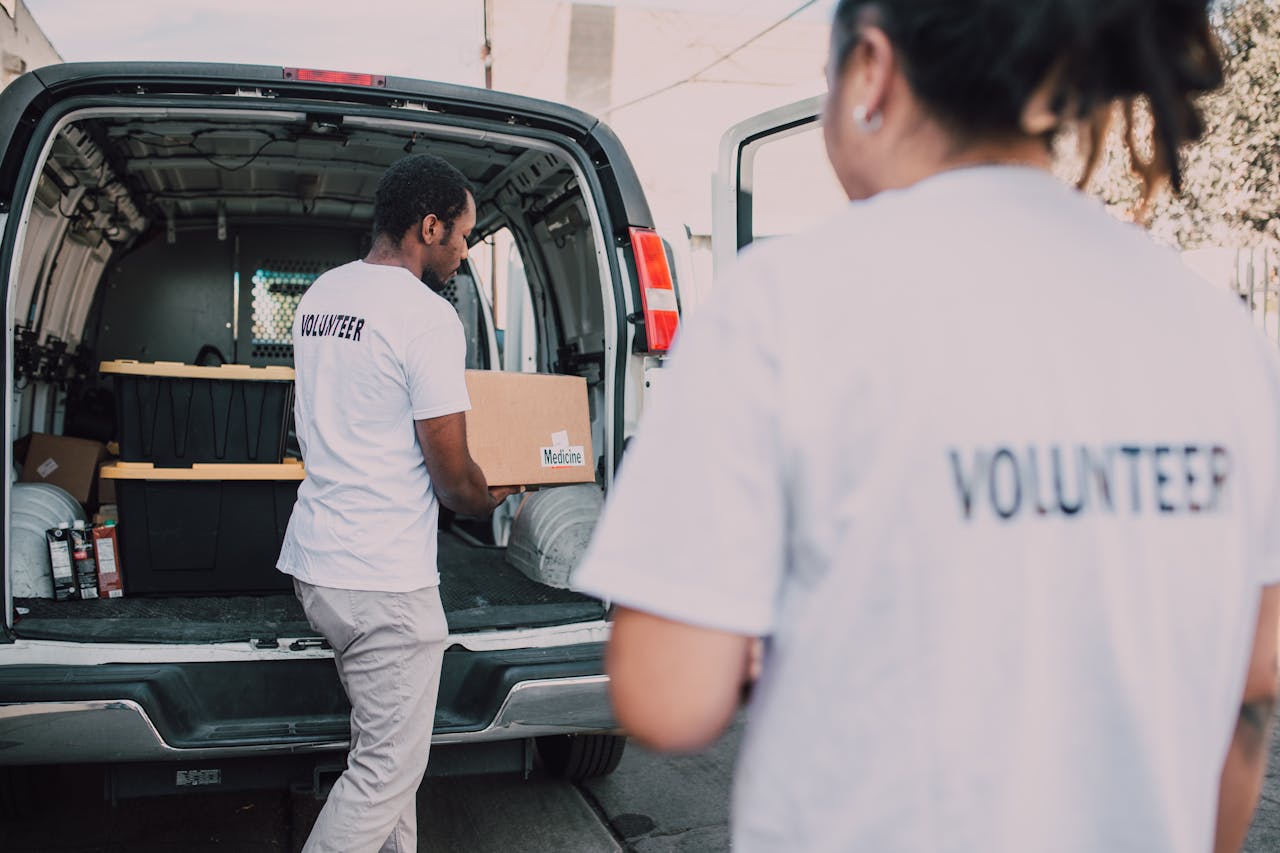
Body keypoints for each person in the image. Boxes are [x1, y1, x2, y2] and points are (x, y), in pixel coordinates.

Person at [573, 1, 1280, 851]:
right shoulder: (1216, 333)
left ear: (871, 68)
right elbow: (1251, 683)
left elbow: (667, 694)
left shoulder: (782, 305)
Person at [277, 153, 518, 853]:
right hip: (385, 583)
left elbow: (313, 420)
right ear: (430, 225)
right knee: (385, 771)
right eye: (464, 236)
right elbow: (452, 480)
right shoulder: (428, 317)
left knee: (387, 757)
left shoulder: (321, 296)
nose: (465, 252)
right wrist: (493, 491)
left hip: (319, 563)